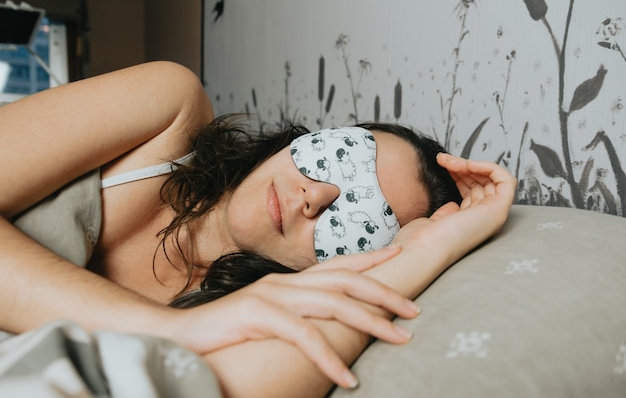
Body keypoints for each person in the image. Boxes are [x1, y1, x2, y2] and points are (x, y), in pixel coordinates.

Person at [0, 61, 516, 398]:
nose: (318, 194)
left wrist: (424, 248)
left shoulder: (243, 324)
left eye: (360, 220)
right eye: (342, 159)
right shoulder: (168, 106)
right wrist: (168, 329)